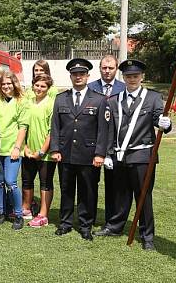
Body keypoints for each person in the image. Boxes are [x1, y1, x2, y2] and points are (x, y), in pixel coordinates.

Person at [95, 59, 171, 251]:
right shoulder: (114, 100)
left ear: (142, 77)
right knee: (119, 195)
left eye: (135, 76)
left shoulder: (153, 98)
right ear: (124, 77)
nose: (132, 79)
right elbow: (110, 130)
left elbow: (159, 120)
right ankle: (114, 226)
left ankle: (147, 236)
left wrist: (166, 124)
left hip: (142, 156)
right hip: (120, 156)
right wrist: (108, 155)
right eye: (128, 76)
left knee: (143, 197)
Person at [50, 58, 109, 241]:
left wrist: (100, 153)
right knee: (66, 189)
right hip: (65, 153)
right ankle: (65, 223)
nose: (78, 77)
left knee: (87, 191)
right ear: (70, 76)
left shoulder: (99, 99)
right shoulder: (61, 99)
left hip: (88, 155)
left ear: (87, 76)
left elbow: (103, 130)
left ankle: (85, 225)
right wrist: (55, 149)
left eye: (81, 74)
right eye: (75, 74)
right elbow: (55, 126)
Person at [87, 54, 125, 226]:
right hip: (92, 144)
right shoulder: (90, 87)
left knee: (114, 185)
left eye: (111, 68)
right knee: (90, 183)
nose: (107, 71)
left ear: (116, 69)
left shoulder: (124, 88)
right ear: (99, 68)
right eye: (104, 68)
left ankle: (111, 220)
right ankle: (88, 218)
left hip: (115, 144)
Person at [0, 70, 28, 229]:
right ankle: (0, 212)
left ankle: (18, 215)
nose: (5, 86)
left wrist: (17, 147)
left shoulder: (21, 101)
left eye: (8, 83)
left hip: (13, 149)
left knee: (10, 181)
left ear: (14, 84)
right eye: (3, 83)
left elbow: (23, 126)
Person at [21, 74, 57, 228]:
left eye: (43, 86)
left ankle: (43, 214)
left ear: (48, 89)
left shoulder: (51, 104)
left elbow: (52, 131)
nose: (39, 89)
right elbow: (23, 126)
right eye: (37, 85)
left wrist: (42, 151)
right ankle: (26, 208)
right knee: (26, 181)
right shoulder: (28, 102)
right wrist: (25, 147)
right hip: (28, 151)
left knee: (45, 184)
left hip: (45, 154)